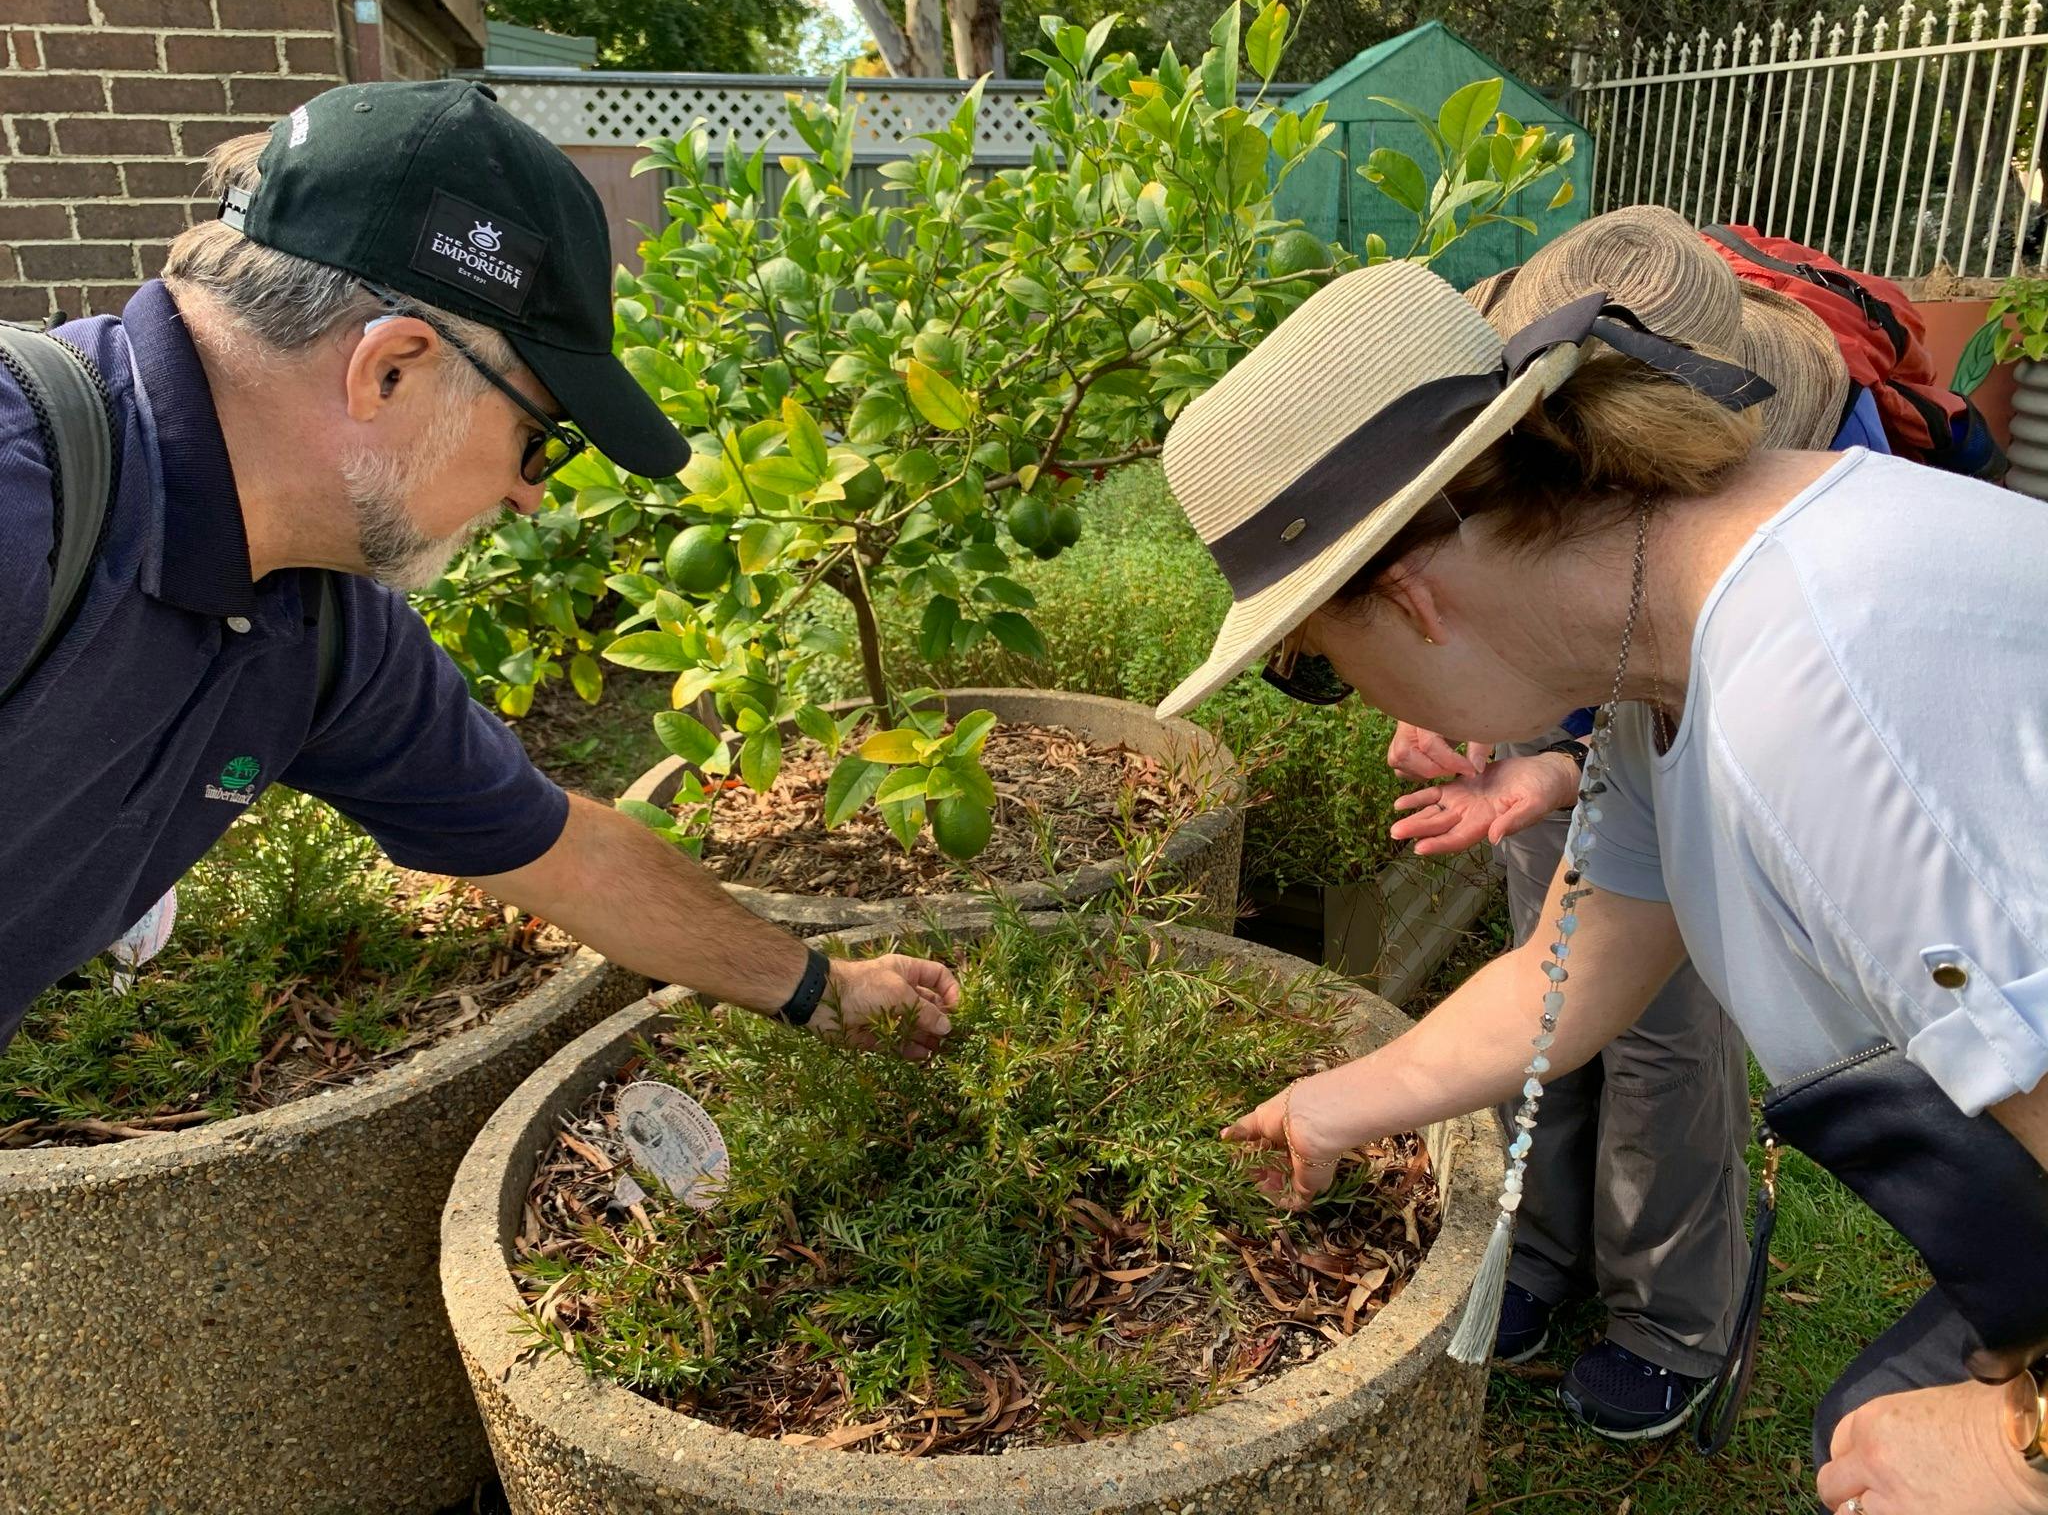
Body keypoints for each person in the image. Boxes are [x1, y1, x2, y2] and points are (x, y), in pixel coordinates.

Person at [1155, 257, 2048, 1513]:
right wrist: (1327, 1106)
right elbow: (1570, 964)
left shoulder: (1819, 705)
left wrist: (2014, 1458)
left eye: (1309, 668)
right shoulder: (1675, 646)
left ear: (1409, 599)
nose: (1345, 706)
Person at [0, 80, 958, 1062]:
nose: (531, 494)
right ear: (391, 370)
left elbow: (565, 856)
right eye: (539, 439)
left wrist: (824, 991)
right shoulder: (23, 498)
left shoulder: (323, 628)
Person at [1375, 207, 1868, 1441]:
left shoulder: (1822, 509)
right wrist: (1529, 747)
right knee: (1551, 1000)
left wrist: (1577, 760)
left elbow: (1669, 631)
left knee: (1659, 1042)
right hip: (1586, 737)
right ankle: (1541, 1249)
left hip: (1698, 727)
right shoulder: (1534, 443)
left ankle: (1670, 1318)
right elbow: (1557, 616)